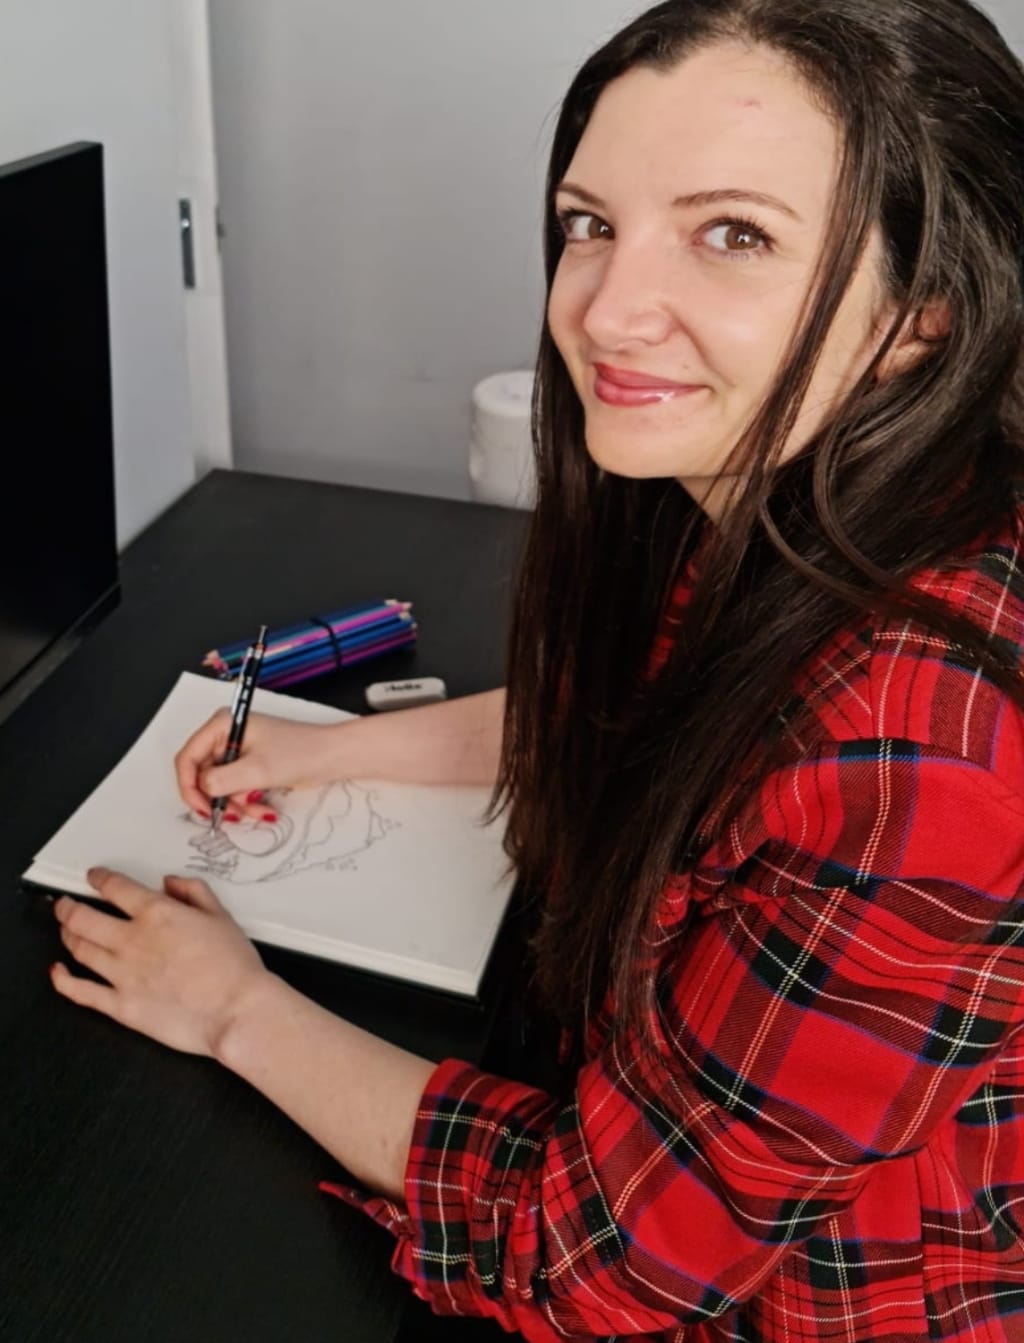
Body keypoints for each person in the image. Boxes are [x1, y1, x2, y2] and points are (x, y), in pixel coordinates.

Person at [48, 0, 1024, 1338]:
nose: (606, 310)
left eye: (734, 234)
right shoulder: (797, 500)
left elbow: (602, 1256)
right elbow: (635, 716)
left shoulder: (929, 755)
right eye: (588, 223)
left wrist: (233, 1012)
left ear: (923, 315)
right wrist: (325, 748)